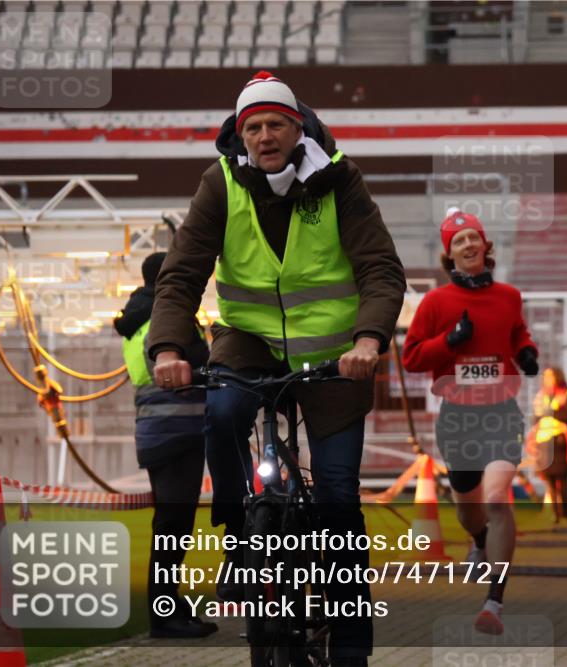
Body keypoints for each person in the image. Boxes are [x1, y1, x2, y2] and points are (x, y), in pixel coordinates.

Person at [147, 71, 406, 665]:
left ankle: (351, 647)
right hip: (249, 340)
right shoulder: (220, 183)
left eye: (276, 125)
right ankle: (240, 536)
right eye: (254, 127)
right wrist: (166, 350)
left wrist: (368, 341)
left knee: (338, 498)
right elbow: (181, 275)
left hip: (336, 355)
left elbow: (380, 269)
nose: (265, 136)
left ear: (298, 128)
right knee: (222, 412)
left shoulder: (339, 179)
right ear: (241, 135)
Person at [402, 208, 539, 635]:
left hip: (501, 413)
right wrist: (450, 342)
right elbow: (411, 357)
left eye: (473, 237)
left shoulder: (509, 296)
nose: (468, 245)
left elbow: (517, 332)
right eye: (458, 241)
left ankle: (494, 603)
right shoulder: (435, 302)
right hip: (458, 417)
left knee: (497, 500)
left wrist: (526, 352)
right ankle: (478, 541)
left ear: (484, 244)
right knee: (468, 512)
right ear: (450, 254)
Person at [114, 252, 217, 639]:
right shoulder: (166, 318)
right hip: (177, 431)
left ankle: (169, 604)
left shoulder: (137, 317)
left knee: (169, 524)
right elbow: (202, 366)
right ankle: (164, 614)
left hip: (158, 430)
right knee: (173, 527)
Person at [530, 367, 567, 525]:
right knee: (548, 478)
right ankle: (555, 512)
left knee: (562, 477)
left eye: (550, 376)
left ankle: (564, 511)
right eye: (545, 376)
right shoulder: (541, 395)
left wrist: (549, 413)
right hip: (543, 440)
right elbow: (535, 418)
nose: (547, 379)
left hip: (559, 439)